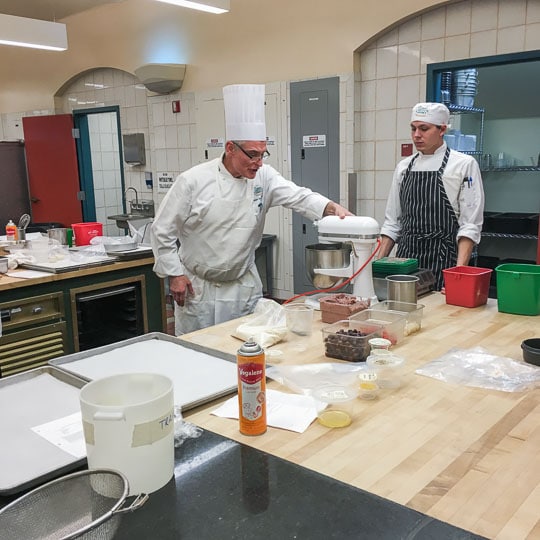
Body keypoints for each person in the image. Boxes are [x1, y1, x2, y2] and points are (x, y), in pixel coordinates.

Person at [151, 84, 351, 335]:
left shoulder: (264, 177)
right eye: (252, 155)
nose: (259, 162)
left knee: (246, 350)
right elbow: (162, 231)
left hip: (243, 286)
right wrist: (174, 274)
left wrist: (332, 208)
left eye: (263, 154)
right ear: (230, 148)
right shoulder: (193, 181)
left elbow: (297, 196)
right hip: (200, 289)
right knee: (199, 351)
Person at [378, 102, 484, 290]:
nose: (416, 135)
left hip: (445, 261)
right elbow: (392, 223)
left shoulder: (464, 165)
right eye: (413, 129)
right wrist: (376, 268)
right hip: (406, 261)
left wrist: (458, 275)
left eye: (424, 129)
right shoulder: (404, 167)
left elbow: (470, 225)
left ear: (442, 129)